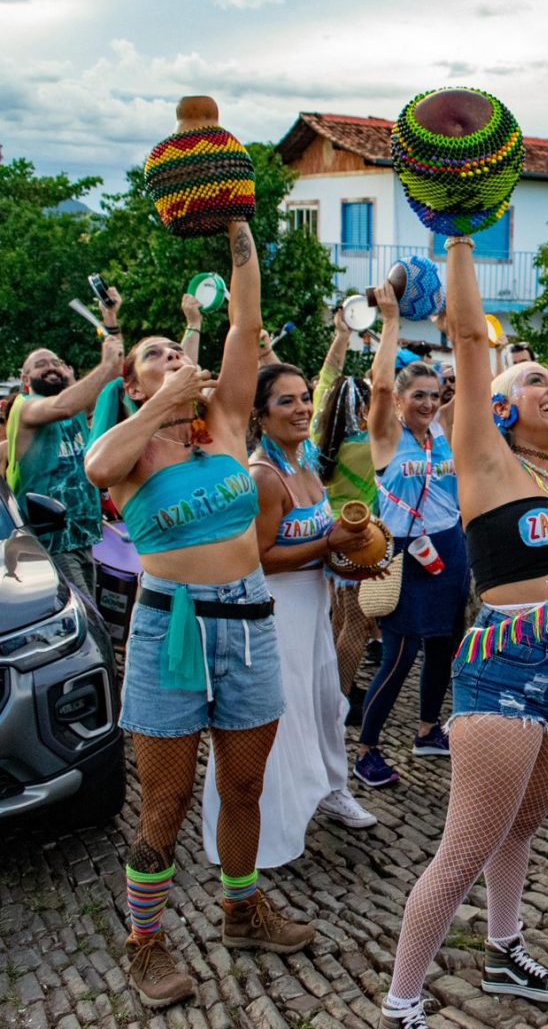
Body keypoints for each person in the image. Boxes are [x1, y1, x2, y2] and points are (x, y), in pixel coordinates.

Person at [85, 218, 313, 1010]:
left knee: (243, 788)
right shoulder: (129, 447)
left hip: (247, 621)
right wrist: (162, 403)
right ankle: (145, 942)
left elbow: (247, 322)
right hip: (168, 629)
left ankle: (240, 907)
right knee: (166, 802)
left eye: (180, 351)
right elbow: (96, 467)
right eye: (157, 357)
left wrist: (239, 225)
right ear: (135, 385)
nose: (176, 359)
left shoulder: (223, 429)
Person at [378, 232, 548, 1028]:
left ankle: (505, 953)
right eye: (535, 380)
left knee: (526, 825)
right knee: (463, 850)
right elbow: (472, 339)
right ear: (498, 407)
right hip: (506, 668)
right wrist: (465, 231)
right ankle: (402, 1004)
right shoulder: (485, 460)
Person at [200, 364, 376, 868]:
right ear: (259, 414)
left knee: (325, 704)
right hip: (277, 615)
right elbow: (257, 556)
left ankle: (331, 788)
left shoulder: (306, 463)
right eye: (286, 401)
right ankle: (270, 822)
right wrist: (328, 544)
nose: (302, 408)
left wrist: (353, 554)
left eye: (305, 399)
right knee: (283, 718)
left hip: (314, 605)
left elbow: (323, 545)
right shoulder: (262, 475)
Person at [355, 289, 470, 788]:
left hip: (449, 547)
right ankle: (367, 751)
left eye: (433, 393)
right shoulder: (386, 435)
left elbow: (471, 373)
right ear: (400, 402)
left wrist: (454, 327)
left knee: (445, 645)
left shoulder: (439, 430)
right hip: (404, 553)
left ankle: (427, 731)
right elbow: (379, 386)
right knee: (399, 656)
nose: (427, 402)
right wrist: (390, 319)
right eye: (416, 396)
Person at [7, 291, 123, 595]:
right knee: (87, 621)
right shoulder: (26, 406)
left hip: (83, 536)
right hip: (50, 543)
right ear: (25, 379)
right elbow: (63, 406)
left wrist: (111, 321)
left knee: (94, 618)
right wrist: (106, 359)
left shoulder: (75, 409)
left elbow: (113, 377)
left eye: (55, 362)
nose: (50, 367)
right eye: (40, 364)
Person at [313, 317, 380, 717]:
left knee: (339, 618)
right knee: (356, 625)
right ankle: (335, 698)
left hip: (330, 533)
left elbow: (326, 377)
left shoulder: (320, 438)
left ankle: (341, 686)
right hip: (362, 538)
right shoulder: (372, 446)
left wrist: (341, 337)